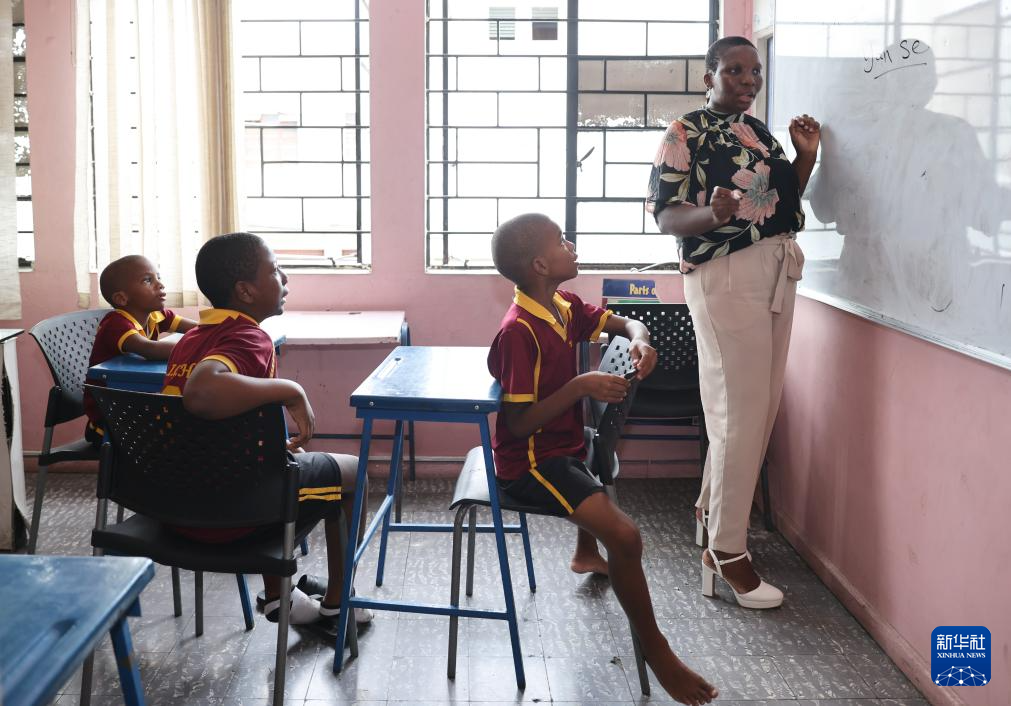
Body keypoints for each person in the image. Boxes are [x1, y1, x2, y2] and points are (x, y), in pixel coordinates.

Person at [489, 213, 718, 706]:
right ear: (540, 265)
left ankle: (584, 552)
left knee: (592, 457)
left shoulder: (563, 306)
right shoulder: (518, 332)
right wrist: (580, 387)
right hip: (531, 464)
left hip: (566, 446)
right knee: (627, 536)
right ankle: (658, 652)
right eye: (561, 241)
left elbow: (629, 321)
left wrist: (640, 340)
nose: (571, 245)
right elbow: (518, 425)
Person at [645, 36, 820, 609]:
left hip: (775, 269)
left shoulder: (760, 133)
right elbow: (667, 216)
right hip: (724, 274)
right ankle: (726, 551)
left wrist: (804, 158)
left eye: (755, 71)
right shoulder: (685, 132)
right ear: (709, 77)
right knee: (738, 413)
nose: (748, 80)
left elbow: (780, 202)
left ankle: (710, 512)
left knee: (757, 408)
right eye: (735, 71)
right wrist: (709, 212)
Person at [161, 232, 370, 633]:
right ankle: (338, 602)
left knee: (275, 460)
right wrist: (290, 389)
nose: (285, 278)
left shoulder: (189, 340)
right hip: (234, 513)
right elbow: (201, 392)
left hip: (177, 507)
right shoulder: (248, 337)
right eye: (274, 270)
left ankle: (279, 596)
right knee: (354, 472)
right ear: (245, 291)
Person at [83, 255, 197, 445]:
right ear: (122, 298)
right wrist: (200, 347)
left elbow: (199, 329)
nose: (160, 285)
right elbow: (150, 349)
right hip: (109, 418)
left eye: (158, 277)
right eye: (147, 280)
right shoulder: (116, 323)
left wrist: (221, 331)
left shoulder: (157, 315)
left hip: (137, 404)